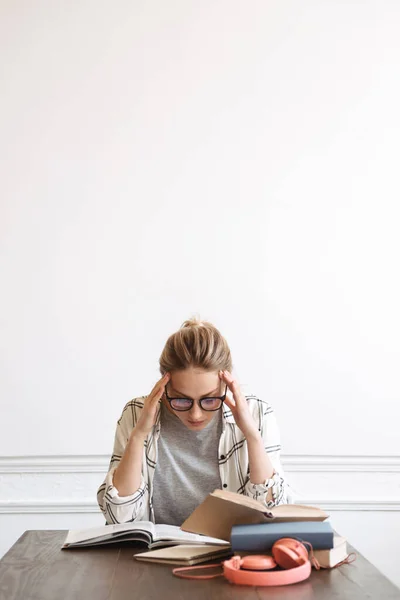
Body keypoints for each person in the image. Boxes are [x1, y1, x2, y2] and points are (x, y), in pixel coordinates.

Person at [97, 316, 290, 525]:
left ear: (226, 384)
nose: (196, 414)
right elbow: (119, 517)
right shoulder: (136, 414)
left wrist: (252, 435)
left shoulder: (258, 414)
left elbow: (271, 514)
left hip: (230, 555)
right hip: (151, 554)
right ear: (164, 384)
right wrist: (138, 436)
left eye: (209, 399)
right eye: (181, 399)